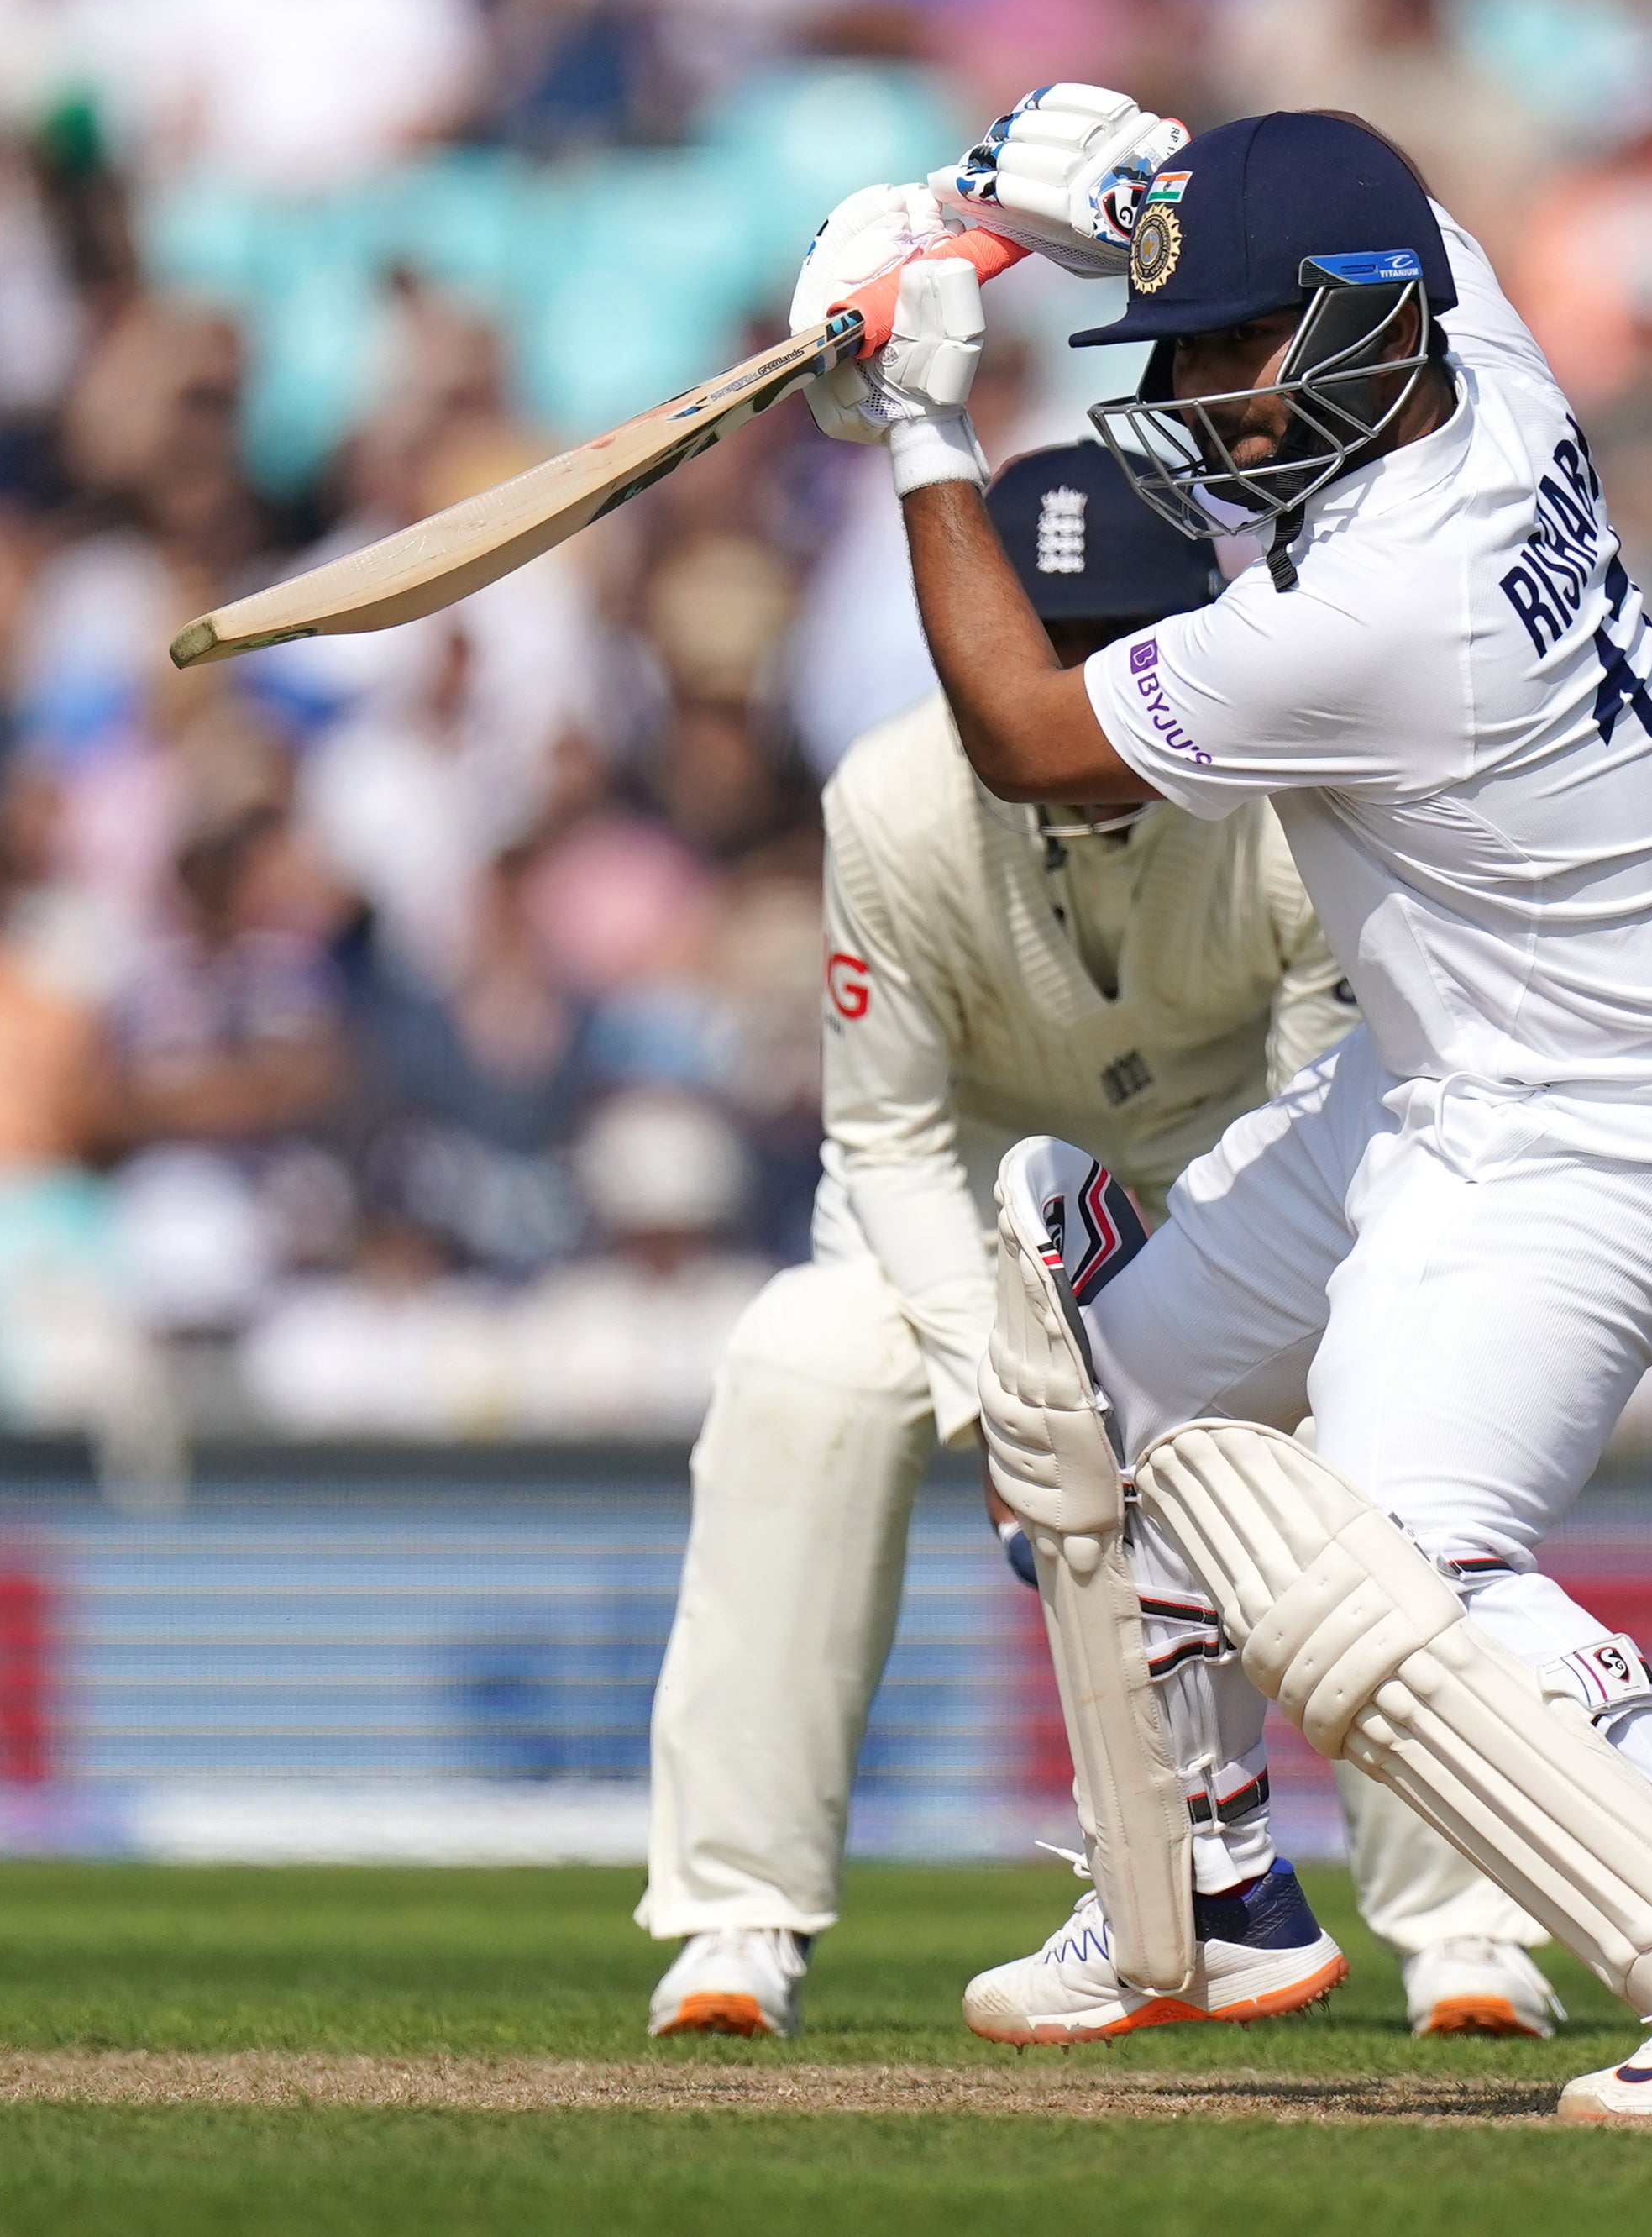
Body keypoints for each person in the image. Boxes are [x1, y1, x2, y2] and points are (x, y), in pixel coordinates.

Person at [793, 92, 1652, 2119]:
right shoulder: (1472, 354)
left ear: (1365, 321)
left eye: (1244, 355)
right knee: (1096, 1394)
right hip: (1444, 1079)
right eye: (1197, 357)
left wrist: (920, 427)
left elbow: (1030, 741)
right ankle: (1205, 1888)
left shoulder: (1381, 605)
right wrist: (1087, 200)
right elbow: (1364, 180)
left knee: (1399, 1555)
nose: (1214, 406)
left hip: (1591, 1129)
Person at [643, 441, 1553, 2046]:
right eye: (1038, 645)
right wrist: (1016, 1393)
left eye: (1109, 643)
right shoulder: (892, 800)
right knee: (800, 1364)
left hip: (1244, 1197)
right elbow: (889, 1140)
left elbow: (1326, 1108)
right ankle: (735, 1921)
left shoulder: (1285, 796)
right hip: (976, 1227)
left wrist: (1169, 1348)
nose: (1070, 691)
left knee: (1382, 1415)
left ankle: (1466, 1931)